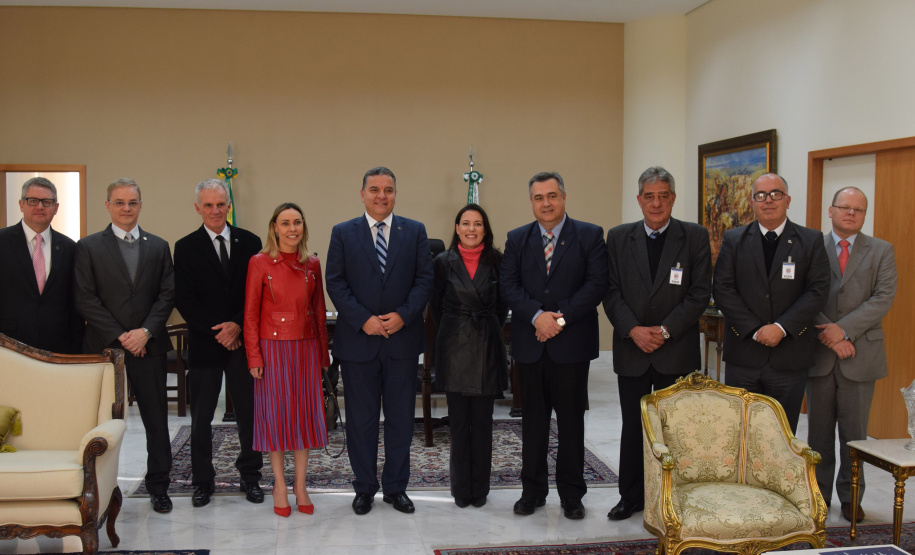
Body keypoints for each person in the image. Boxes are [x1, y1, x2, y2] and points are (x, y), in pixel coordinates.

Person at [602, 166, 711, 521]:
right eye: (649, 196)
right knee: (634, 425)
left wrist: (663, 331)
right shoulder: (618, 238)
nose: (656, 203)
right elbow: (610, 290)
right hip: (632, 349)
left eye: (663, 195)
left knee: (674, 428)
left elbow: (698, 294)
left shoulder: (693, 236)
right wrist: (634, 330)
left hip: (675, 351)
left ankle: (672, 497)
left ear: (673, 199)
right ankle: (630, 496)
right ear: (639, 200)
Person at [325, 166, 433, 516]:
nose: (381, 195)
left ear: (395, 194)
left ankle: (396, 488)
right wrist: (363, 320)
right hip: (359, 343)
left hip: (402, 341)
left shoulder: (414, 231)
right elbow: (335, 282)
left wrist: (403, 315)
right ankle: (364, 488)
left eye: (388, 189)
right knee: (362, 420)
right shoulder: (343, 233)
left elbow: (424, 280)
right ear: (362, 194)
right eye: (374, 189)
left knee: (401, 420)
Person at [500, 171, 609, 520]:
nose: (545, 203)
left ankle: (572, 495)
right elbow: (508, 285)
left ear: (563, 197)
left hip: (571, 344)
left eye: (551, 196)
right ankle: (532, 491)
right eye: (538, 197)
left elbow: (596, 285)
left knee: (571, 422)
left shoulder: (590, 235)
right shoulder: (516, 239)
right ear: (531, 202)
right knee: (532, 422)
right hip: (531, 343)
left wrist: (558, 319)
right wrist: (537, 317)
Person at [74, 178, 176, 513]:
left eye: (132, 202)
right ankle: (99, 489)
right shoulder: (88, 247)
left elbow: (166, 295)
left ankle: (159, 486)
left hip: (149, 347)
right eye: (119, 202)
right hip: (104, 349)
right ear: (108, 206)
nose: (126, 208)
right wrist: (123, 336)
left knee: (156, 419)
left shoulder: (158, 246)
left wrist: (144, 332)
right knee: (102, 421)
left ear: (140, 205)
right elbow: (85, 299)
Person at [713, 173, 830, 433]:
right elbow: (722, 289)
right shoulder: (734, 240)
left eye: (776, 194)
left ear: (787, 200)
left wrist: (780, 327)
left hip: (789, 356)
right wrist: (755, 329)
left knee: (781, 435)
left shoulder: (810, 240)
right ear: (752, 202)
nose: (768, 201)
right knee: (741, 432)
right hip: (744, 355)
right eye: (761, 195)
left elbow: (817, 290)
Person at [807, 186, 897, 523]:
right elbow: (804, 295)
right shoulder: (813, 247)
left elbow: (882, 298)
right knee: (817, 436)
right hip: (819, 354)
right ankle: (817, 497)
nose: (851, 214)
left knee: (854, 436)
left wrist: (843, 330)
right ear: (830, 211)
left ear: (864, 215)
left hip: (860, 354)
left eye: (858, 210)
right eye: (844, 207)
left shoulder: (881, 251)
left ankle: (851, 498)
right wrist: (831, 335)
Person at [174, 178, 264, 508]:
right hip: (205, 344)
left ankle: (251, 477)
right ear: (198, 208)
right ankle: (202, 482)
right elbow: (184, 299)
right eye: (208, 205)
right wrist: (219, 331)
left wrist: (237, 325)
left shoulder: (250, 242)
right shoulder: (184, 247)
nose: (215, 210)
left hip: (244, 343)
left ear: (229, 206)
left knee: (249, 415)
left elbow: (257, 293)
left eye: (220, 204)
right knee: (201, 419)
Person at [244, 202, 329, 518]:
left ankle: (301, 486)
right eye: (285, 223)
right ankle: (279, 485)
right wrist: (253, 354)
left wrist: (323, 352)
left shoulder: (313, 264)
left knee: (304, 417)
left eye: (297, 222)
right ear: (274, 228)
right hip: (273, 348)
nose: (292, 228)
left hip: (306, 347)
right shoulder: (259, 262)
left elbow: (319, 311)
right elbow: (251, 313)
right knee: (278, 418)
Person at [430, 203, 508, 509]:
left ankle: (481, 491)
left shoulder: (499, 262)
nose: (471, 229)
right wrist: (457, 330)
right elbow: (436, 307)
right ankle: (461, 490)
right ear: (457, 228)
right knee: (459, 424)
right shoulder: (441, 262)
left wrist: (485, 329)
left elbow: (502, 308)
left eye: (477, 223)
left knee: (484, 424)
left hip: (488, 347)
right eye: (466, 223)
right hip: (454, 350)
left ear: (485, 229)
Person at [0, 177, 83, 353]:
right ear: (21, 204)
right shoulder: (2, 242)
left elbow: (74, 303)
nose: (40, 207)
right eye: (33, 201)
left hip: (57, 346)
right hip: (8, 344)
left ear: (56, 208)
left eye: (47, 202)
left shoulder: (70, 248)